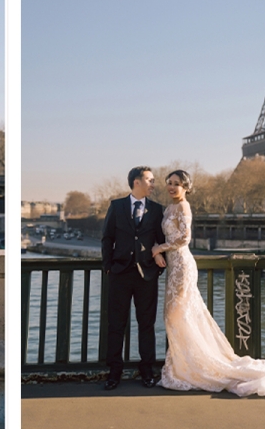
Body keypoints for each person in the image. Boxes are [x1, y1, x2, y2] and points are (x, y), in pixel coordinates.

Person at [151, 170, 265, 400]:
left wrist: (160, 248)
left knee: (176, 315)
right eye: (169, 183)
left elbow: (185, 239)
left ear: (186, 187)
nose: (171, 187)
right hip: (173, 267)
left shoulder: (183, 207)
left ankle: (194, 369)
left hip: (182, 266)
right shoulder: (169, 208)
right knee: (176, 317)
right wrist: (159, 251)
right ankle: (183, 367)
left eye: (177, 184)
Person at [100, 166, 167, 390]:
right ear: (136, 182)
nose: (153, 184)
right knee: (116, 324)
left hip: (146, 275)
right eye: (150, 180)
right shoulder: (116, 206)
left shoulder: (158, 210)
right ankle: (114, 371)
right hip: (120, 273)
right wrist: (108, 266)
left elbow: (161, 240)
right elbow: (107, 238)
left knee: (146, 325)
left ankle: (147, 370)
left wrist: (157, 268)